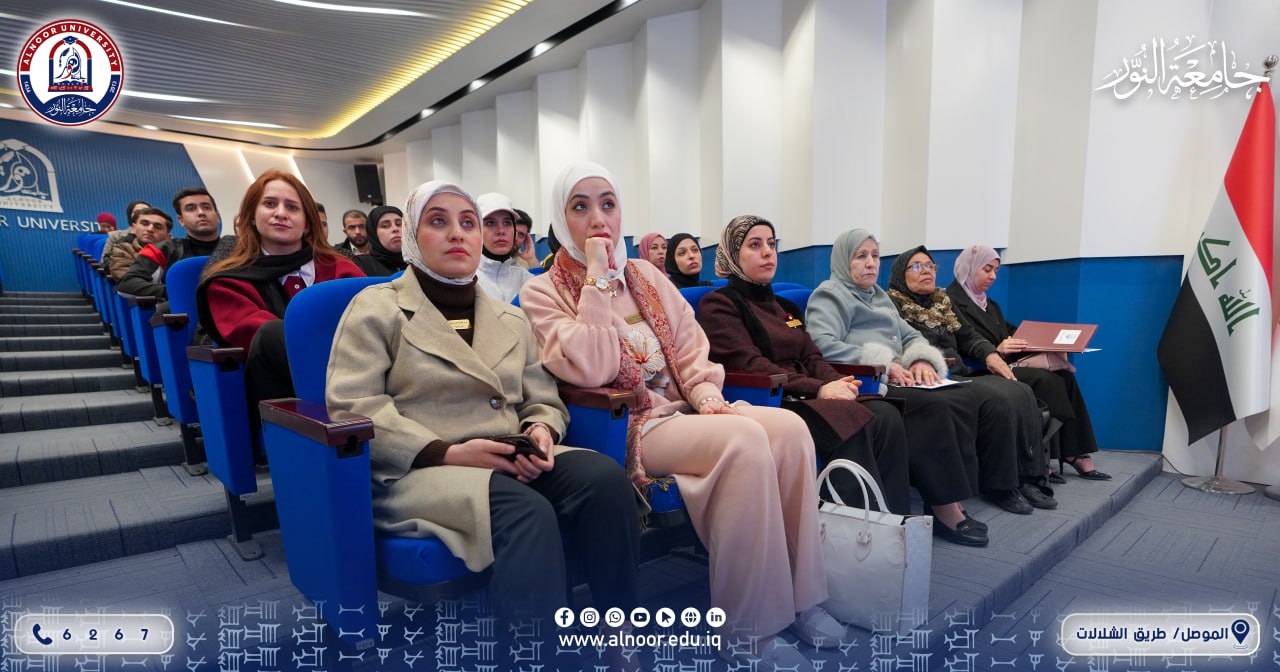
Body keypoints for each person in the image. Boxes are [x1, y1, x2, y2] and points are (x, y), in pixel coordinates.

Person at [521, 162, 846, 670]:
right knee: (742, 441)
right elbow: (592, 366)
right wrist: (597, 281)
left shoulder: (646, 275)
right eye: (579, 207)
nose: (598, 219)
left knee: (789, 429)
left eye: (608, 204)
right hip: (630, 426)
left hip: (687, 410)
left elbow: (691, 345)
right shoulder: (542, 291)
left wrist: (706, 393)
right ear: (561, 221)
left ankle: (801, 598)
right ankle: (748, 630)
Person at [326, 179, 641, 626]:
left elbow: (542, 399)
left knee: (605, 480)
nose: (458, 233)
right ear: (414, 236)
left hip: (509, 455)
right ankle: (535, 654)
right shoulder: (375, 308)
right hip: (420, 468)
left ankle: (618, 630)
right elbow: (354, 406)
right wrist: (448, 452)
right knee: (525, 512)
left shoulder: (510, 316)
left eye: (468, 223)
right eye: (438, 222)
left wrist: (540, 431)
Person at [697, 216, 910, 514]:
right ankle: (856, 522)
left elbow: (812, 357)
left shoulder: (786, 307)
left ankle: (895, 518)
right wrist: (820, 389)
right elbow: (751, 365)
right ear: (734, 255)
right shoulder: (720, 304)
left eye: (771, 244)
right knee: (847, 416)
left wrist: (838, 383)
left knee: (886, 414)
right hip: (770, 399)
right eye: (754, 245)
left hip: (805, 393)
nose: (768, 252)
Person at [806, 229, 996, 547]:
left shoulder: (879, 296)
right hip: (864, 381)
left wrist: (920, 359)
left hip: (896, 375)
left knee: (960, 395)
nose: (871, 263)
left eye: (875, 256)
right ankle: (944, 507)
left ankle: (952, 497)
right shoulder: (829, 295)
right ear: (843, 260)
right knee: (932, 406)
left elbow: (910, 336)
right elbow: (822, 345)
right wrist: (882, 364)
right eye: (861, 256)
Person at [888, 246, 1057, 509]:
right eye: (917, 266)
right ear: (901, 273)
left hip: (957, 373)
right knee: (998, 400)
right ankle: (1000, 486)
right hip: (927, 377)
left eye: (931, 266)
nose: (927, 271)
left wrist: (990, 355)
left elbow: (968, 336)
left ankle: (1026, 477)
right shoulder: (892, 305)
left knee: (1020, 390)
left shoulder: (942, 302)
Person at [196, 170, 363, 432]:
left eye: (292, 207)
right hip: (287, 397)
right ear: (252, 217)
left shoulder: (342, 269)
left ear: (307, 223)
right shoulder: (227, 281)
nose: (281, 213)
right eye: (270, 204)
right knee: (272, 333)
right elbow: (262, 339)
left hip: (362, 374)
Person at [948, 245, 1109, 480]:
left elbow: (1009, 332)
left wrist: (1042, 342)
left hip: (1005, 365)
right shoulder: (950, 302)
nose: (992, 277)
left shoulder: (989, 304)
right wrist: (995, 350)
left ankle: (1073, 451)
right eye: (987, 269)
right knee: (1045, 380)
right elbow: (960, 342)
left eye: (996, 271)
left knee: (1064, 376)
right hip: (978, 369)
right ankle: (1041, 456)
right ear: (969, 268)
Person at [118, 187, 229, 299]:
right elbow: (127, 284)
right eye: (191, 209)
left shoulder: (237, 248)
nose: (201, 213)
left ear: (217, 216)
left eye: (206, 207)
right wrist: (175, 292)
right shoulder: (162, 250)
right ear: (181, 220)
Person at [475, 192, 531, 303]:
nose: (501, 231)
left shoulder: (527, 280)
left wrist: (531, 260)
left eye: (507, 223)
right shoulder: (466, 281)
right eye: (490, 223)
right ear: (478, 230)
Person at [107, 208, 171, 282]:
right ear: (133, 228)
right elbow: (130, 283)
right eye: (144, 223)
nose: (150, 229)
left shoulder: (174, 252)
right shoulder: (123, 250)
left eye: (158, 226)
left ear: (168, 236)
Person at [351, 206, 406, 277]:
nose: (395, 229)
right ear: (373, 233)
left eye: (399, 224)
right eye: (385, 226)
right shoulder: (362, 263)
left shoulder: (416, 261)